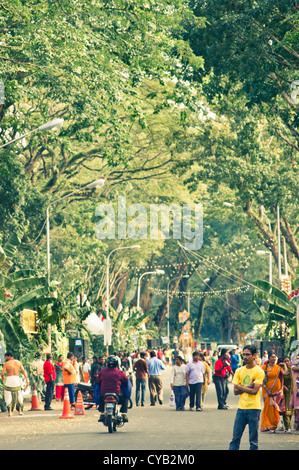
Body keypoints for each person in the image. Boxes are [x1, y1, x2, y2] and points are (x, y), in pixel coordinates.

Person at [229, 345, 265, 450]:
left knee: (253, 440)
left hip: (254, 408)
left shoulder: (259, 371)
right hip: (241, 408)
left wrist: (241, 387)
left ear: (254, 356)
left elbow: (254, 391)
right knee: (235, 437)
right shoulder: (239, 371)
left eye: (248, 354)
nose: (245, 357)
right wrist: (248, 386)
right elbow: (235, 391)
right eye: (243, 354)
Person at [261, 351, 288, 433]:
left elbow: (285, 373)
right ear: (269, 359)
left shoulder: (278, 367)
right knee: (268, 407)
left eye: (275, 357)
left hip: (277, 391)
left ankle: (274, 425)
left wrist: (285, 365)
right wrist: (267, 390)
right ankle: (268, 425)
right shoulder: (264, 367)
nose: (274, 358)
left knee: (275, 408)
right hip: (267, 390)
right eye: (272, 357)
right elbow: (261, 380)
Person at [97, 355, 130, 423]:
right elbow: (126, 380)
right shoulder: (119, 372)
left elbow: (98, 381)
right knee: (125, 398)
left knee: (100, 396)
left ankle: (102, 412)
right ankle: (123, 413)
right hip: (117, 394)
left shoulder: (102, 372)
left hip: (104, 394)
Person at [1, 352, 29, 416]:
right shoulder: (18, 362)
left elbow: (2, 373)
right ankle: (20, 411)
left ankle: (10, 412)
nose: (5, 358)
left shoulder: (6, 364)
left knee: (8, 395)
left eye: (6, 357)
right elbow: (23, 371)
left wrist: (3, 378)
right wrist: (27, 380)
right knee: (19, 395)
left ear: (9, 356)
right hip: (17, 379)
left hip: (9, 380)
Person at [278, 356, 293, 433]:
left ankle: (287, 425)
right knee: (285, 409)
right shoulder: (281, 371)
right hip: (284, 392)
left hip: (292, 392)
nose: (286, 362)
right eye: (285, 361)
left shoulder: (292, 370)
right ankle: (288, 427)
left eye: (288, 361)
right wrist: (282, 386)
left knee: (291, 410)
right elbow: (278, 380)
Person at [290, 353, 299, 430]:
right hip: (296, 390)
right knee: (297, 409)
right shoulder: (293, 366)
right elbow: (294, 369)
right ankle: (296, 424)